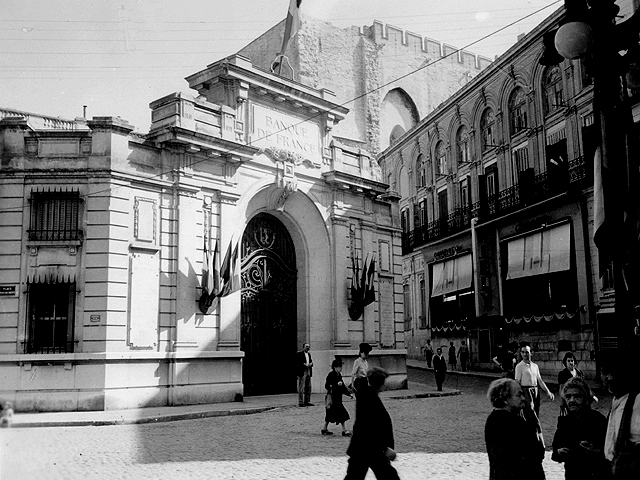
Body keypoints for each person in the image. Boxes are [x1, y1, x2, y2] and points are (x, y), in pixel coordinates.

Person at [344, 367, 399, 480]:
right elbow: (369, 426)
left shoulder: (368, 396)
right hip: (369, 450)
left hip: (367, 449)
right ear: (381, 383)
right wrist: (385, 448)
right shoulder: (369, 398)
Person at [485, 378, 546, 480]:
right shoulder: (516, 422)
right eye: (518, 395)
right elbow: (537, 452)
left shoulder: (492, 418)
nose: (523, 398)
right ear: (505, 399)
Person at [551, 377, 609, 480]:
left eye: (577, 396)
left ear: (586, 399)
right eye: (568, 397)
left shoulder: (598, 420)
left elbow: (609, 452)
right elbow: (555, 450)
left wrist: (596, 451)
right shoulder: (565, 422)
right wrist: (559, 452)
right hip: (572, 474)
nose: (572, 400)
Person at [602, 359, 640, 480]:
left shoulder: (636, 401)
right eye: (605, 373)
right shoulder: (615, 401)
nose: (608, 378)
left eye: (613, 373)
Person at [515, 343, 555, 419]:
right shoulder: (519, 367)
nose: (525, 354)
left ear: (531, 353)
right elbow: (517, 382)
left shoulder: (535, 366)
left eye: (526, 352)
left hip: (536, 390)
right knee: (530, 412)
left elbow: (540, 380)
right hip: (526, 391)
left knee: (536, 412)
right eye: (522, 352)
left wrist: (548, 392)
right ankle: (535, 429)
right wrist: (519, 396)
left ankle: (534, 430)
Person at [322, 358, 353, 436]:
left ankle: (324, 429)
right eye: (339, 367)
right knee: (340, 414)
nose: (341, 368)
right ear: (335, 367)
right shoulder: (331, 375)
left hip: (338, 399)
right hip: (333, 399)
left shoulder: (339, 375)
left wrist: (349, 394)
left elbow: (343, 388)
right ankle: (344, 430)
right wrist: (335, 385)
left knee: (331, 414)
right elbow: (327, 386)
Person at [296, 342, 314, 407]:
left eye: (308, 346)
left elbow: (311, 361)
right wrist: (304, 365)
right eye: (306, 346)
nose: (308, 348)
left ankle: (307, 401)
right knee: (301, 387)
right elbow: (298, 363)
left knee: (308, 387)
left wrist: (311, 364)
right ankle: (301, 402)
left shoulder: (309, 354)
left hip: (308, 371)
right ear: (303, 347)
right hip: (302, 372)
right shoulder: (299, 354)